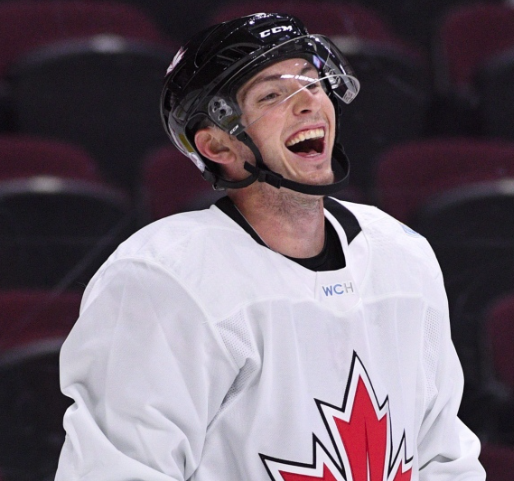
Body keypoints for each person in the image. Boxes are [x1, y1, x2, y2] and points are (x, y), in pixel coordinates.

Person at [54, 12, 486, 481]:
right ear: (218, 146)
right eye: (273, 95)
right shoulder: (163, 279)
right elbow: (118, 470)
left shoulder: (403, 257)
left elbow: (444, 457)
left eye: (312, 83)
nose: (308, 104)